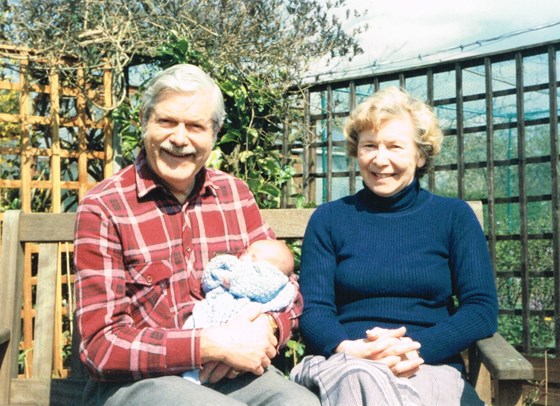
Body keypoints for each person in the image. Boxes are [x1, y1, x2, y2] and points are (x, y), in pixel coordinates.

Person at [73, 63, 320, 406]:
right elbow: (100, 345)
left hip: (230, 373)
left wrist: (268, 327)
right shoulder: (105, 206)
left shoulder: (235, 194)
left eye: (195, 126)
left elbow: (286, 290)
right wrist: (210, 344)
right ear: (144, 123)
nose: (179, 138)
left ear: (214, 134)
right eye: (166, 122)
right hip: (139, 383)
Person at [291, 86, 498, 405]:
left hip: (427, 362)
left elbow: (481, 309)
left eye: (395, 147)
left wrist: (414, 348)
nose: (380, 159)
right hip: (345, 362)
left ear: (421, 154)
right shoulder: (330, 219)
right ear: (356, 151)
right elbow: (314, 310)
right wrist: (354, 351)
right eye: (369, 146)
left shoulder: (453, 217)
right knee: (362, 379)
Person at [182, 239, 296, 383]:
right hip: (200, 332)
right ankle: (189, 375)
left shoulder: (269, 279)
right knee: (194, 325)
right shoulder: (244, 263)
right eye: (246, 252)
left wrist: (268, 323)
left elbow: (266, 290)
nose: (244, 257)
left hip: (245, 336)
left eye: (253, 257)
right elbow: (211, 279)